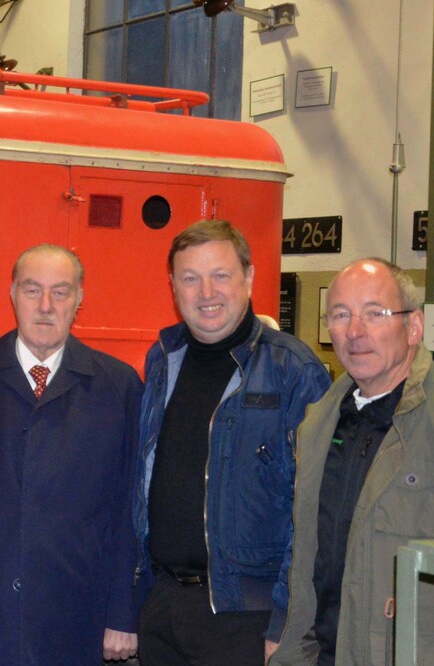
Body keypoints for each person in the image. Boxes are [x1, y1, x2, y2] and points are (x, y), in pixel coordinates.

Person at [0, 243, 142, 665]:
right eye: (32, 290)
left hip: (78, 613)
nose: (46, 305)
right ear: (12, 294)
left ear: (79, 299)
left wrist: (123, 611)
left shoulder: (118, 387)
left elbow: (128, 510)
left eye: (60, 292)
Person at [135, 220, 330, 666]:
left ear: (249, 277)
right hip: (163, 606)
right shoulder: (163, 359)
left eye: (220, 275)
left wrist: (284, 621)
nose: (207, 292)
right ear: (173, 287)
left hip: (246, 618)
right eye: (190, 278)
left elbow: (313, 511)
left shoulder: (293, 371)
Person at [271, 259, 434, 666]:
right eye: (341, 315)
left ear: (414, 327)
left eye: (375, 314)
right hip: (320, 653)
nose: (355, 331)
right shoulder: (319, 422)